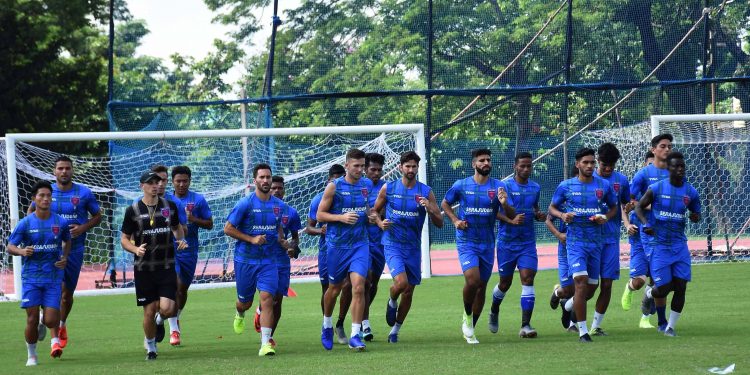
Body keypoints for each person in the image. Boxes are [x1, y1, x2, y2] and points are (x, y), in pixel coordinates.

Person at [441, 148, 515, 344]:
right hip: (467, 241)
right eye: (481, 160)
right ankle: (466, 315)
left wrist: (505, 203)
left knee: (481, 287)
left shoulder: (499, 186)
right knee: (472, 281)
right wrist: (456, 220)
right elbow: (445, 204)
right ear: (474, 164)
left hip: (488, 243)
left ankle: (471, 326)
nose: (486, 163)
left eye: (488, 160)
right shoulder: (461, 185)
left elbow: (511, 213)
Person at [28, 156, 101, 349]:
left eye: (67, 168)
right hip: (49, 252)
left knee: (67, 295)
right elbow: (31, 213)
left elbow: (98, 216)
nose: (64, 171)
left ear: (72, 170)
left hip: (74, 250)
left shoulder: (84, 193)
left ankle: (60, 323)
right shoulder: (46, 194)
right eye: (60, 168)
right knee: (56, 290)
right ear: (54, 171)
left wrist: (83, 227)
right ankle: (54, 334)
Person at [370, 151, 443, 343]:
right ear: (401, 167)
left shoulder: (426, 192)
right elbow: (373, 212)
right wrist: (379, 222)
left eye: (414, 166)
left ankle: (395, 330)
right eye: (407, 166)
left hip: (413, 247)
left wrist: (430, 207)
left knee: (409, 291)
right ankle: (392, 300)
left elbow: (440, 222)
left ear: (418, 168)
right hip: (392, 243)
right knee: (401, 284)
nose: (411, 170)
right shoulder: (389, 188)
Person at [548, 148, 617, 343]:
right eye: (585, 162)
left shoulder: (603, 186)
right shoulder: (566, 186)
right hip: (575, 243)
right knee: (580, 282)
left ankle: (567, 306)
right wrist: (562, 215)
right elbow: (552, 209)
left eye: (592, 163)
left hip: (596, 243)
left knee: (591, 289)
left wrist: (605, 217)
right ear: (577, 164)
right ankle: (583, 332)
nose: (589, 166)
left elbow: (613, 208)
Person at [225, 163, 293, 356]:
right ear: (255, 180)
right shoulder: (245, 203)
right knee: (244, 302)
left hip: (268, 261)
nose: (265, 180)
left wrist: (284, 243)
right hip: (246, 261)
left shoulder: (279, 206)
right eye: (262, 177)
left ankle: (265, 344)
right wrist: (252, 239)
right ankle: (240, 313)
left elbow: (279, 230)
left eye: (268, 177)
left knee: (267, 299)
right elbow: (228, 228)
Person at [120, 171, 188, 360]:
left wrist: (181, 240)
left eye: (157, 182)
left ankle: (161, 320)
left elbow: (177, 228)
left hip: (166, 265)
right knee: (149, 311)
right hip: (144, 269)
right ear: (142, 185)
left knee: (168, 309)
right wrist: (135, 250)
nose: (155, 185)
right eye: (151, 182)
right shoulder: (132, 210)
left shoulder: (170, 206)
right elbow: (124, 239)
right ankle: (151, 347)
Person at [634, 151, 700, 336]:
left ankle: (670, 327)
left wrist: (695, 217)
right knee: (662, 288)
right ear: (668, 168)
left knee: (681, 286)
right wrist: (646, 224)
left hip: (679, 245)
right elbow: (639, 206)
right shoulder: (656, 188)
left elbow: (696, 213)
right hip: (659, 245)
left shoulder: (690, 191)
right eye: (676, 166)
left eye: (682, 166)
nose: (680, 169)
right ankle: (650, 294)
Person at [9, 180, 71, 366]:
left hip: (52, 277)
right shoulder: (25, 223)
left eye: (48, 196)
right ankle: (32, 354)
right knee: (32, 318)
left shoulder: (60, 222)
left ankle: (46, 325)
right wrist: (21, 251)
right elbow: (10, 246)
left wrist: (65, 257)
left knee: (51, 320)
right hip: (31, 278)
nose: (45, 199)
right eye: (41, 196)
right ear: (34, 199)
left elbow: (67, 241)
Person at [317, 148, 370, 351]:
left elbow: (367, 209)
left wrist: (372, 216)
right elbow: (321, 215)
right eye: (356, 166)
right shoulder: (334, 187)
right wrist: (340, 217)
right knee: (334, 289)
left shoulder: (366, 186)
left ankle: (356, 335)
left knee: (358, 287)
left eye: (362, 166)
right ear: (346, 165)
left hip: (360, 244)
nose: (360, 169)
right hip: (337, 246)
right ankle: (327, 325)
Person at [488, 152, 546, 338]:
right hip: (507, 243)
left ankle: (525, 325)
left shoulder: (535, 187)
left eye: (529, 166)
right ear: (515, 166)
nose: (526, 169)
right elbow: (495, 212)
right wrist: (511, 220)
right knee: (505, 283)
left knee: (528, 278)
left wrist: (539, 215)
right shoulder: (504, 187)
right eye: (522, 166)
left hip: (527, 242)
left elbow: (534, 208)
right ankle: (494, 308)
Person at [621, 134, 673, 330]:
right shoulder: (642, 175)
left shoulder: (672, 174)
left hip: (665, 233)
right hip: (643, 233)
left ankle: (651, 319)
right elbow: (630, 203)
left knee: (661, 280)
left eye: (669, 146)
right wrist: (634, 216)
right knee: (640, 280)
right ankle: (629, 288)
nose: (667, 150)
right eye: (662, 146)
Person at [251, 175, 301, 347]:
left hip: (281, 261)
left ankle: (269, 334)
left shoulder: (291, 212)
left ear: (284, 190)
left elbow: (295, 238)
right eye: (274, 188)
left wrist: (292, 247)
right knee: (268, 297)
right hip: (262, 259)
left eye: (280, 188)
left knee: (277, 300)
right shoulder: (257, 210)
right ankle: (260, 311)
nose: (277, 191)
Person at [167, 166, 213, 346]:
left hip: (189, 249)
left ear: (189, 181)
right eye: (178, 181)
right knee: (174, 284)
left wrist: (192, 219)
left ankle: (174, 317)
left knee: (182, 289)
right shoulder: (165, 200)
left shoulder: (198, 200)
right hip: (168, 248)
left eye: (184, 181)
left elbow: (209, 224)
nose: (181, 184)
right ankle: (174, 329)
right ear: (172, 182)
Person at [307, 164, 353, 345]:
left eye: (340, 178)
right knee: (328, 289)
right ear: (328, 180)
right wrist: (321, 231)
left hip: (350, 247)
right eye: (334, 179)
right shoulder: (319, 199)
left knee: (349, 284)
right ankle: (327, 323)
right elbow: (309, 227)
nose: (337, 182)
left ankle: (340, 323)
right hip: (328, 250)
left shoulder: (351, 196)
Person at [589, 143, 631, 336]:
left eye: (611, 165)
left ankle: (595, 325)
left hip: (611, 239)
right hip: (589, 240)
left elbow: (626, 204)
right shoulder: (587, 178)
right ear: (598, 160)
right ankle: (569, 303)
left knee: (607, 283)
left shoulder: (621, 180)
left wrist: (630, 208)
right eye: (605, 164)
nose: (607, 169)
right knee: (589, 286)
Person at [548, 167, 578, 333]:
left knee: (583, 286)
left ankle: (573, 321)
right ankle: (558, 292)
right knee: (569, 289)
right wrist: (559, 234)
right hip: (566, 248)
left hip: (586, 246)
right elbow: (548, 219)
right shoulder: (564, 196)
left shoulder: (592, 195)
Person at [362, 152, 386, 341]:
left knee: (374, 283)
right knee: (365, 280)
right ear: (365, 169)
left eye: (379, 170)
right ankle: (364, 323)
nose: (376, 173)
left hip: (380, 242)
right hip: (361, 240)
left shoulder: (386, 188)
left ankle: (362, 313)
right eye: (372, 170)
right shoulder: (360, 187)